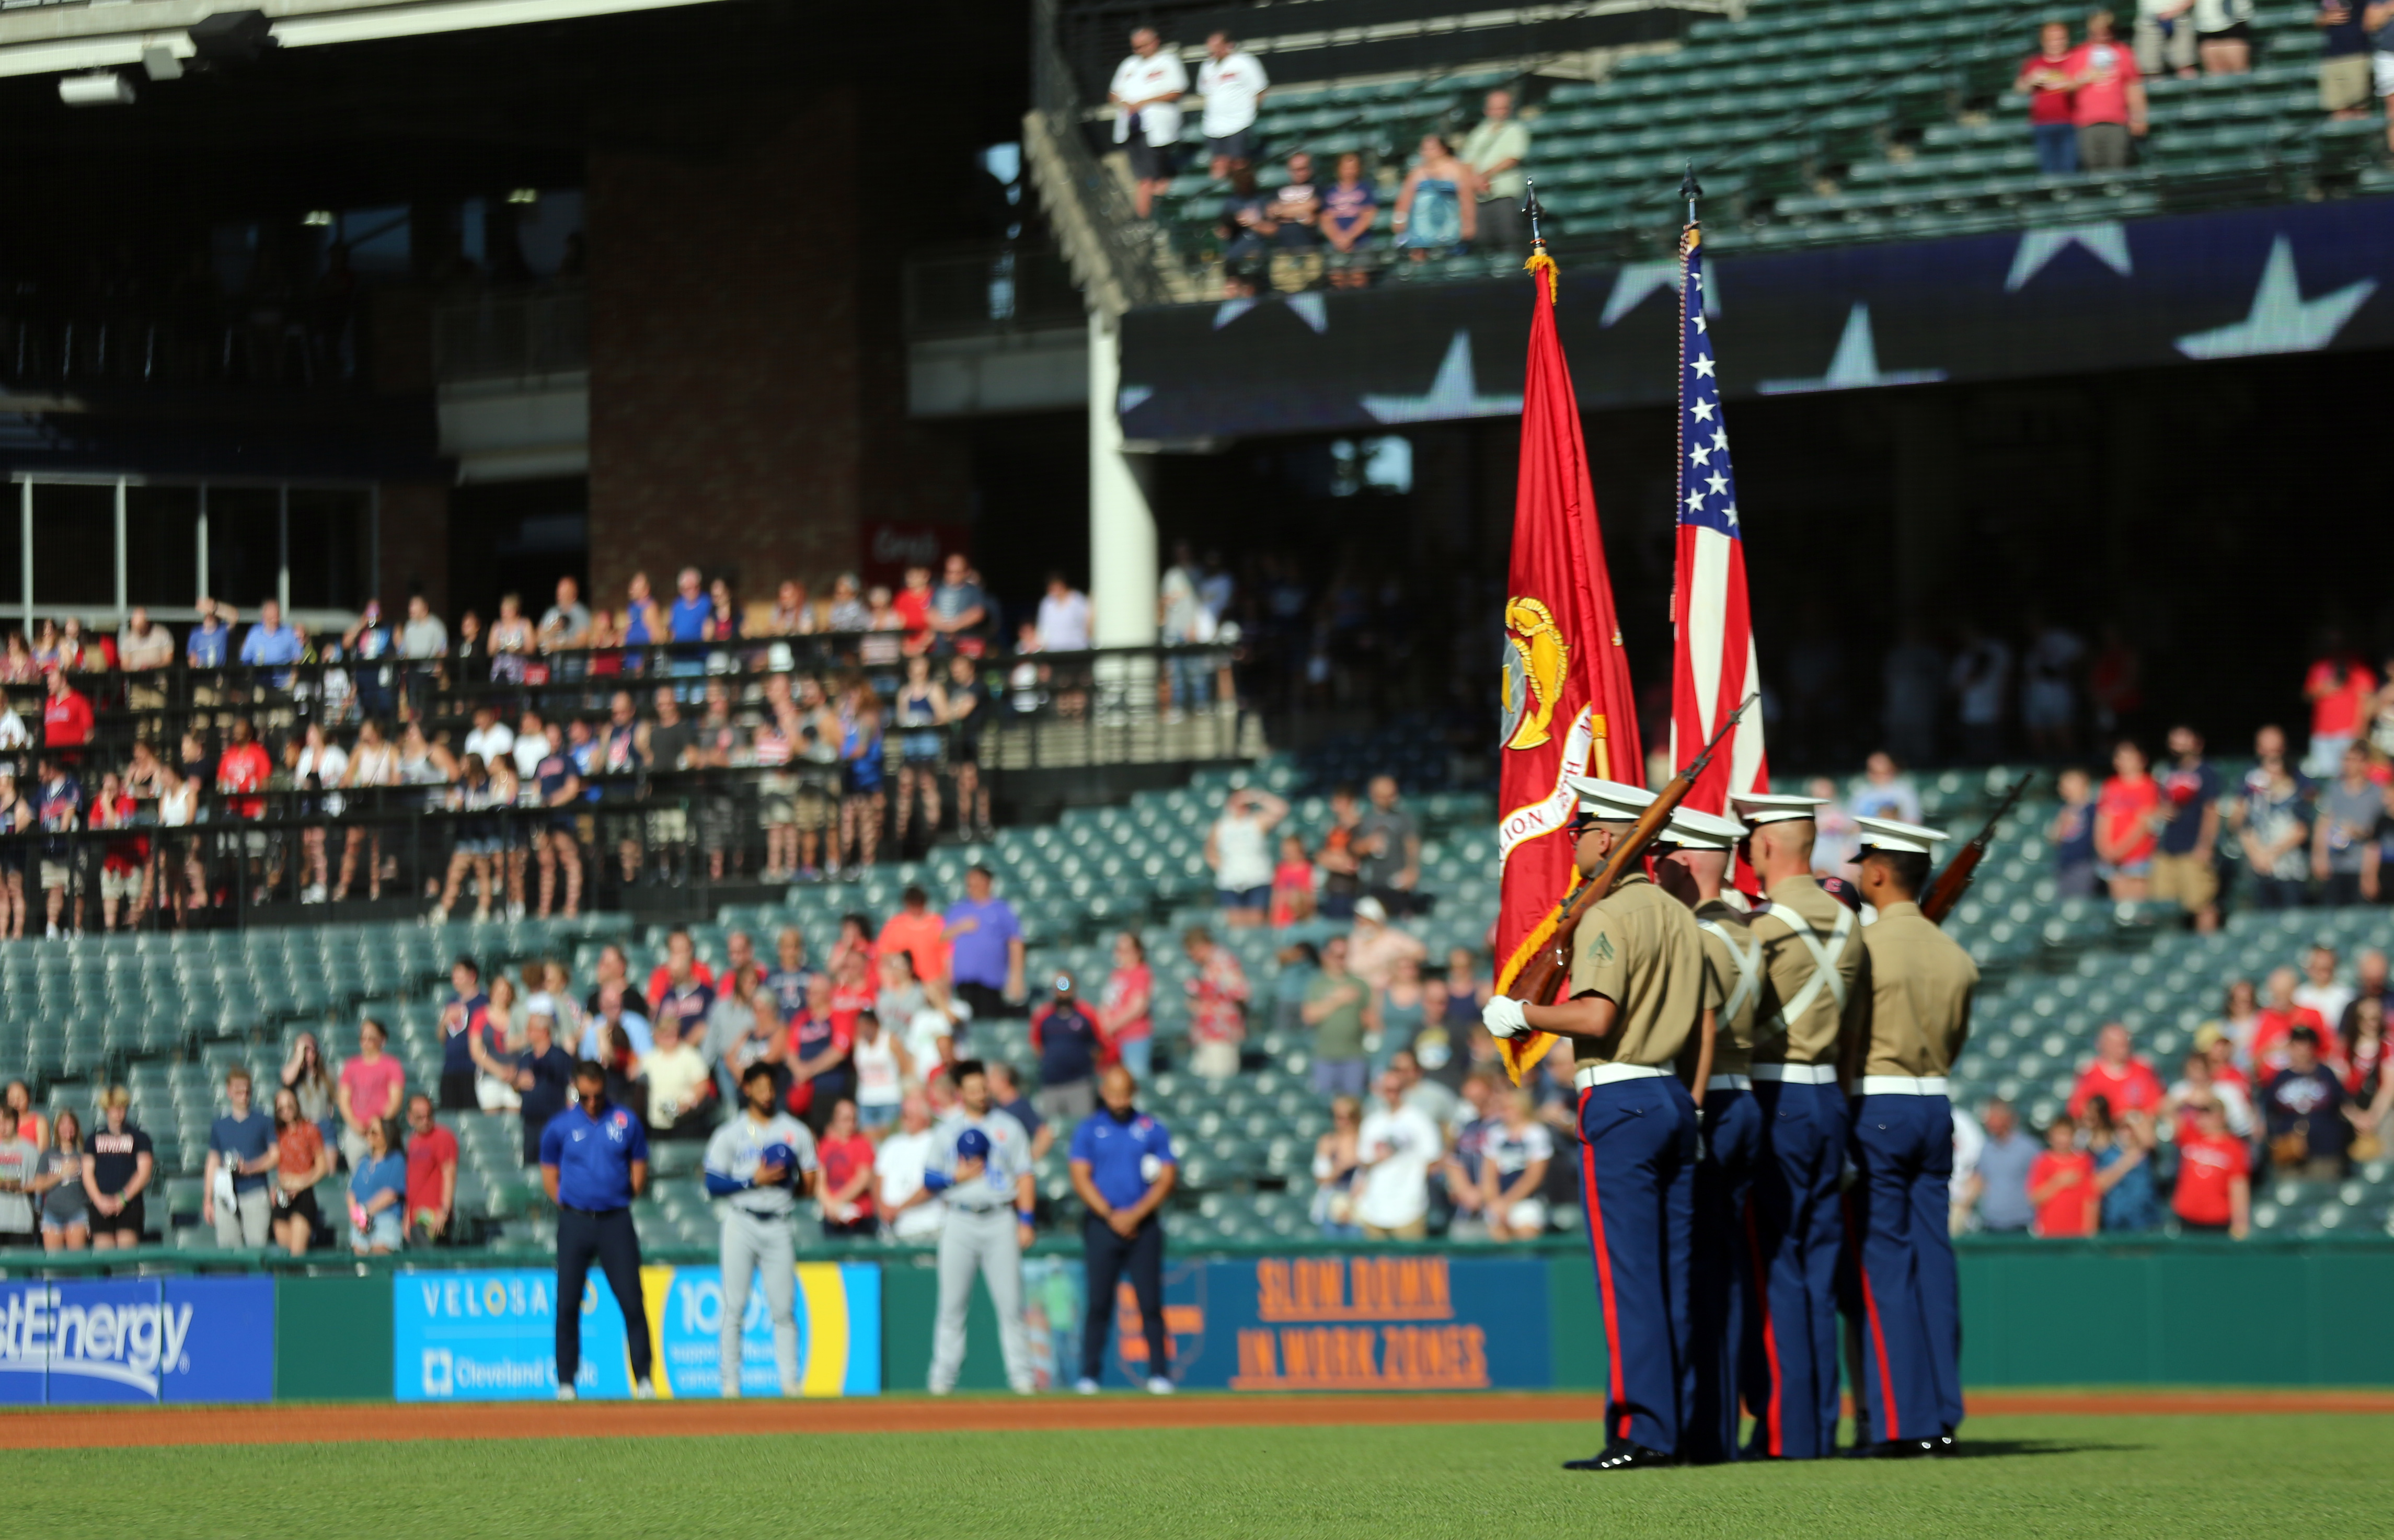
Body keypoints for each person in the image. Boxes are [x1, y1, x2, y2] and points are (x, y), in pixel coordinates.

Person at [1482, 777, 1711, 1472]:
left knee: (1629, 1279)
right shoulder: (1680, 915)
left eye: (1581, 830)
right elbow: (1704, 1024)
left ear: (1607, 838)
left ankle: (1640, 1431)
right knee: (1672, 1277)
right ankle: (1680, 1427)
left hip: (1621, 1096)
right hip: (1672, 1094)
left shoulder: (1608, 917)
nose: (1573, 842)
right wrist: (1692, 1101)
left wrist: (1523, 1015)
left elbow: (1596, 1017)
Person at [1729, 789, 1866, 1462]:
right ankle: (1817, 1425)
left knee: (1777, 1270)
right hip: (1827, 1103)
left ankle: (1786, 1432)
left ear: (1765, 846)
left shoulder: (1760, 928)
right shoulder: (1848, 922)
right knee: (1816, 1267)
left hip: (1775, 1096)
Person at [1844, 814, 1980, 1457]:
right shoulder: (1953, 954)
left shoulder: (1864, 946)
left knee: (1884, 1265)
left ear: (1875, 872)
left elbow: (1844, 1037)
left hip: (1879, 1103)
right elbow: (1954, 1041)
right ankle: (1943, 1412)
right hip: (1935, 1103)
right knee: (1933, 1262)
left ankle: (1902, 1420)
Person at [1651, 806, 1762, 1464]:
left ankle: (1704, 1431)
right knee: (1735, 1274)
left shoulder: (1691, 934)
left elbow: (1699, 1026)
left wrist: (1687, 1107)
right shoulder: (1753, 932)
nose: (1658, 864)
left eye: (1667, 855)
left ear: (1689, 862)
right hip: (1750, 1098)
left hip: (1709, 1105)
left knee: (1698, 1275)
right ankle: (1727, 1423)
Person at [905, 1061, 1035, 1395]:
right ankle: (942, 1381)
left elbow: (1024, 1175)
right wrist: (956, 1177)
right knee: (952, 1305)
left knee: (1011, 1305)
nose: (981, 1093)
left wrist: (1027, 1220)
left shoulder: (1009, 1126)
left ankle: (1022, 1380)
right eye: (973, 1088)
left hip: (999, 1217)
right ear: (960, 1093)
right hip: (960, 1218)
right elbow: (930, 1178)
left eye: (983, 1087)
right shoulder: (947, 1130)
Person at [543, 1059, 657, 1399]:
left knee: (632, 1300)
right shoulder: (560, 1126)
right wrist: (569, 1202)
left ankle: (645, 1379)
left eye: (598, 1095)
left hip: (616, 1221)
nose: (592, 1102)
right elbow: (549, 1174)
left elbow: (639, 1169)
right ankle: (566, 1382)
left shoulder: (625, 1121)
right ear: (576, 1090)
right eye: (585, 1096)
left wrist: (619, 1196)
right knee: (567, 1302)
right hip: (576, 1220)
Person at [704, 1061, 818, 1397]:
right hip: (742, 1220)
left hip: (779, 1222)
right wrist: (753, 1179)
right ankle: (730, 1385)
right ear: (747, 1089)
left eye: (772, 1087)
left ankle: (790, 1383)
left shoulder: (795, 1131)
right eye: (761, 1087)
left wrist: (791, 1182)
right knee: (734, 1307)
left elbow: (810, 1184)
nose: (768, 1094)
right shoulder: (731, 1132)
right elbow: (713, 1182)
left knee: (783, 1308)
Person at [1069, 1065, 1179, 1394]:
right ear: (1104, 1092)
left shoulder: (1151, 1129)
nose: (1119, 1100)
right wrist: (1110, 1214)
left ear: (1133, 1093)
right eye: (1113, 1093)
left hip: (1143, 1227)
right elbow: (1079, 1175)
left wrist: (1136, 1214)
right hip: (1102, 1226)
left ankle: (1159, 1374)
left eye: (1124, 1094)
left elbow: (1167, 1176)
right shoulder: (1089, 1129)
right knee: (1099, 1303)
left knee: (1150, 1303)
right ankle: (1089, 1376)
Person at [477, 1008, 577, 1166]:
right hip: (530, 1121)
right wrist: (516, 1081)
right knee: (531, 1163)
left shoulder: (560, 1056)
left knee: (553, 1164)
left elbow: (566, 1080)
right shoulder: (526, 1058)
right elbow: (517, 1087)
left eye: (531, 1029)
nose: (527, 1033)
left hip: (553, 1119)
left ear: (543, 1031)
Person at [1108, 27, 1187, 221]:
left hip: (1158, 128)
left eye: (1142, 46)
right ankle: (1147, 217)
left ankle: (1147, 218)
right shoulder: (1129, 65)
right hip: (1132, 128)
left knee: (1151, 179)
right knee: (1145, 178)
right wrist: (1125, 103)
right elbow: (1113, 93)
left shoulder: (1168, 62)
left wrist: (1145, 102)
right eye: (1135, 48)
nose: (1138, 51)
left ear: (1155, 42)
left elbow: (1177, 90)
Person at [2232, 726, 2315, 909]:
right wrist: (2258, 856)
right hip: (2260, 868)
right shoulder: (2252, 789)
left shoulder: (2296, 790)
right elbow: (2242, 825)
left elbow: (2302, 828)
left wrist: (2271, 854)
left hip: (2289, 867)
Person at [2151, 725, 2223, 929]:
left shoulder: (2206, 771)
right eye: (2174, 740)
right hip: (2168, 848)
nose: (2178, 745)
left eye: (2184, 739)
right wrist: (2161, 811)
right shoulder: (2166, 771)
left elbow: (2211, 811)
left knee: (2201, 902)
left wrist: (2206, 845)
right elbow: (2158, 806)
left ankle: (2206, 948)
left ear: (2196, 742)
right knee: (2164, 904)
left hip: (2193, 847)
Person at [204, 1066, 277, 1249]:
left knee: (258, 1249)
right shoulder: (220, 1125)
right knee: (229, 1252)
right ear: (229, 1092)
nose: (244, 1096)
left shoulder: (264, 1122)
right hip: (225, 1194)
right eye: (238, 1092)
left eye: (247, 1091)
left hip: (254, 1191)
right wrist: (208, 1199)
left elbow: (275, 1155)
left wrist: (250, 1168)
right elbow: (213, 1161)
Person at [2263, 1027, 2350, 1178]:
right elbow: (2269, 1110)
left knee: (2324, 1193)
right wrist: (2275, 1138)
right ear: (2290, 1048)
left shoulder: (2326, 1074)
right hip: (2290, 1150)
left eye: (2306, 1045)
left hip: (2324, 1149)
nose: (2302, 1050)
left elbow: (2342, 1104)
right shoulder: (2281, 1077)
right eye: (2297, 1045)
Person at [2068, 10, 2148, 170]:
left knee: (2117, 163)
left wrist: (2139, 117)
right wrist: (2086, 76)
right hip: (2087, 121)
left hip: (2117, 120)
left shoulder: (2123, 52)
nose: (2102, 34)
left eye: (2106, 29)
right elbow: (2068, 85)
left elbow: (2133, 87)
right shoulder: (2078, 54)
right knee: (2092, 165)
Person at [945, 865, 1025, 1019]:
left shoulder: (1002, 910)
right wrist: (960, 927)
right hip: (964, 980)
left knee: (988, 1020)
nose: (972, 887)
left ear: (988, 883)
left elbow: (1015, 942)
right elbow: (943, 938)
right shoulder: (958, 910)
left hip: (991, 980)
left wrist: (1016, 977)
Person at [1302, 935, 1374, 1099]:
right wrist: (1338, 1000)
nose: (1340, 961)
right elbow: (1309, 1016)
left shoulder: (1359, 984)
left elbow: (1370, 1019)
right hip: (1325, 1056)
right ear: (1326, 956)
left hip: (1354, 1055)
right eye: (1336, 956)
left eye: (1344, 956)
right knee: (1323, 1103)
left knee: (1354, 1102)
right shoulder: (1317, 984)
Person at [1458, 88, 1528, 252]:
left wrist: (1484, 176)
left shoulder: (1515, 130)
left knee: (1510, 240)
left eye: (1503, 108)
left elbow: (1512, 158)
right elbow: (1467, 162)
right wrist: (1475, 181)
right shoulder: (1478, 133)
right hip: (1480, 198)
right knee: (1484, 243)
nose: (1499, 112)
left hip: (1504, 196)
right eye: (1495, 108)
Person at [1030, 973, 1104, 1128]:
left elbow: (1098, 1044)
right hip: (1051, 1085)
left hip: (1080, 1084)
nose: (1062, 992)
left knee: (1082, 1128)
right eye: (1059, 987)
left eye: (1066, 986)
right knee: (1052, 1130)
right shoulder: (1043, 1016)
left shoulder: (1086, 1013)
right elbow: (1037, 1044)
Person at [1206, 786, 1287, 926]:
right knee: (1236, 926)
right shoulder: (1221, 826)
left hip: (1258, 880)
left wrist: (1255, 796)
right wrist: (1224, 869)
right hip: (1230, 883)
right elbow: (1210, 851)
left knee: (1256, 923)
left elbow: (1281, 809)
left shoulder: (1256, 821)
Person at [2172, 1096, 2250, 1236]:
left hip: (2216, 1220)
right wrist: (2191, 1099)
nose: (2202, 1120)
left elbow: (2238, 1185)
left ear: (2221, 1117)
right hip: (2187, 1216)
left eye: (2208, 1115)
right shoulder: (2191, 1137)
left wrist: (2240, 1222)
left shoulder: (2234, 1148)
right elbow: (2168, 1112)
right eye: (2201, 1115)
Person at [2313, 744, 2381, 905]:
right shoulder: (2333, 790)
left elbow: (2377, 835)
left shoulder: (2376, 794)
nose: (2348, 764)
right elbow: (2322, 824)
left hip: (2361, 867)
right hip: (2335, 866)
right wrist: (2320, 857)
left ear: (2364, 764)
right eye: (2346, 760)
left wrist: (2358, 832)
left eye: (2353, 760)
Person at [2094, 739, 2161, 901]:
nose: (2124, 762)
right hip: (2112, 860)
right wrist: (2105, 849)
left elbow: (2144, 824)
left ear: (2142, 759)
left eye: (2129, 757)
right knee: (2121, 909)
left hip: (2138, 857)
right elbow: (2103, 819)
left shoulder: (2149, 786)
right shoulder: (2110, 785)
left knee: (2138, 907)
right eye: (2120, 757)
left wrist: (2119, 850)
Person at [1196, 30, 1267, 180]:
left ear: (1228, 45)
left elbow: (1260, 91)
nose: (1212, 51)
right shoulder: (1207, 67)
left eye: (1216, 47)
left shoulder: (1245, 62)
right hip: (1213, 126)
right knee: (1218, 165)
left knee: (1239, 164)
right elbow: (1205, 93)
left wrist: (1249, 114)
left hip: (1239, 123)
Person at [337, 1017, 407, 1171]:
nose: (367, 1042)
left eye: (371, 1038)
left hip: (383, 1130)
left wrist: (378, 1125)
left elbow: (395, 1100)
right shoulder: (351, 1066)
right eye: (364, 1038)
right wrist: (355, 1123)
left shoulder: (392, 1065)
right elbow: (344, 1100)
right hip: (357, 1131)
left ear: (382, 1039)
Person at [876, 1091, 946, 1243]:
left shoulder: (936, 1142)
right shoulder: (892, 1144)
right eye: (903, 1114)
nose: (904, 1118)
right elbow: (878, 1178)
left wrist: (898, 1209)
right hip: (891, 1231)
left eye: (909, 1114)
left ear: (925, 1118)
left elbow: (932, 1184)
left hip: (926, 1228)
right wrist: (883, 1207)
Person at [1959, 1099, 2036, 1233]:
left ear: (2008, 1119)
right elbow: (1980, 1179)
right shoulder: (1986, 1148)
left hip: (2020, 1223)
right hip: (1990, 1223)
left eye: (1995, 1118)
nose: (1990, 1123)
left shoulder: (2029, 1148)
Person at [1182, 926, 1250, 1079]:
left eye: (1192, 953)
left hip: (1222, 1034)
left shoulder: (1223, 962)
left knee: (1220, 1082)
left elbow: (1242, 993)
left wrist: (1208, 1006)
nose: (1192, 958)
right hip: (1207, 1035)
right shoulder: (1206, 966)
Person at [1392, 134, 1476, 256]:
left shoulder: (1457, 169)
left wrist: (1468, 223)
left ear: (1443, 149)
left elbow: (1466, 198)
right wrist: (1399, 219)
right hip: (1422, 224)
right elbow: (1405, 199)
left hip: (1450, 221)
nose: (1428, 153)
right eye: (1424, 149)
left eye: (1432, 149)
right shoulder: (1417, 172)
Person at [2067, 1022, 2167, 1119]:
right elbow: (2078, 1109)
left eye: (2124, 1043)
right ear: (2102, 1045)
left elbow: (2157, 1105)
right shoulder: (2089, 1073)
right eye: (2116, 1044)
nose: (2122, 1048)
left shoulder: (2144, 1069)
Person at [2020, 21, 2082, 173]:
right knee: (2049, 170)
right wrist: (2031, 79)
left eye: (2060, 38)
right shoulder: (2035, 63)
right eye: (2052, 39)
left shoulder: (2075, 59)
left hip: (2071, 122)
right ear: (2044, 41)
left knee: (2070, 167)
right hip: (2043, 124)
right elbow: (2020, 87)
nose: (2057, 43)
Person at [1356, 775, 1423, 916]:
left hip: (1397, 881)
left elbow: (1412, 843)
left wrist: (1412, 869)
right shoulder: (1364, 819)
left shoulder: (1404, 818)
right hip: (1373, 882)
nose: (1388, 800)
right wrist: (1368, 845)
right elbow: (1354, 848)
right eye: (1383, 796)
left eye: (1391, 795)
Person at [437, 956, 496, 1112]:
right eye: (454, 975)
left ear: (472, 976)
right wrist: (445, 1021)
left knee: (472, 1111)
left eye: (459, 974)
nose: (455, 979)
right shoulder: (451, 1001)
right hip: (450, 1068)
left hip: (472, 1068)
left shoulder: (484, 1002)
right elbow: (443, 1038)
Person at [1096, 931, 1156, 1082]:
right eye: (1118, 949)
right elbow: (1107, 1002)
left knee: (1135, 1081)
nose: (1120, 954)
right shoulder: (1116, 975)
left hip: (1134, 1038)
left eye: (1125, 950)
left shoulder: (1141, 973)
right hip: (1114, 1041)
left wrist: (1111, 1026)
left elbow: (1137, 1007)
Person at [402, 1094, 458, 1247]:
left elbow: (449, 1174)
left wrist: (444, 1210)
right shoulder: (412, 1141)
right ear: (410, 1118)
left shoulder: (443, 1137)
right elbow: (413, 1182)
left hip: (434, 1219)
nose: (426, 1121)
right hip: (417, 1218)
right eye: (420, 1117)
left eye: (429, 1116)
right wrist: (407, 1215)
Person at [2027, 1113, 2097, 1237]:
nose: (2062, 1139)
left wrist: (2090, 1231)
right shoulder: (2042, 1162)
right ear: (2050, 1136)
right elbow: (2035, 1198)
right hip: (2050, 1233)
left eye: (2066, 1134)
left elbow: (2090, 1200)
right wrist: (2058, 1182)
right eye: (2059, 1134)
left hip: (2077, 1233)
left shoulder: (2084, 1161)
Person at [816, 1099, 876, 1238]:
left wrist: (836, 1203)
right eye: (845, 1119)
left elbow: (863, 1179)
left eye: (853, 1119)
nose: (850, 1124)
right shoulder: (826, 1145)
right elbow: (819, 1180)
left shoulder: (863, 1144)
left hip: (859, 1217)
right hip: (832, 1218)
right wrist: (831, 1207)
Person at [347, 1116, 406, 1254]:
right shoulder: (363, 1162)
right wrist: (358, 1218)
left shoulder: (396, 1160)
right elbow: (352, 1193)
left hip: (385, 1221)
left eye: (374, 1132)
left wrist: (365, 1212)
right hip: (361, 1225)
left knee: (379, 1261)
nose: (369, 1136)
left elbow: (391, 1194)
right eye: (368, 1131)